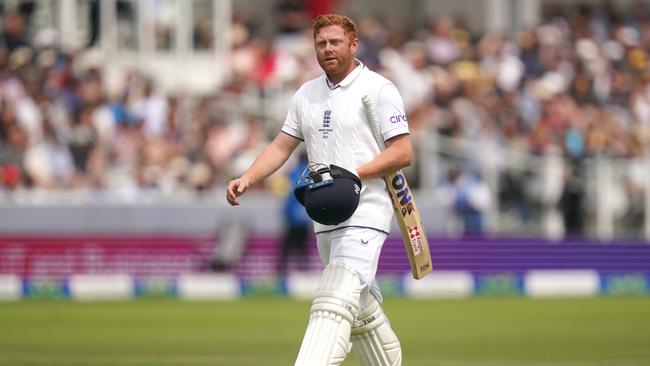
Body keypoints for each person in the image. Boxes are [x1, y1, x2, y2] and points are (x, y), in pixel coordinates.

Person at [226, 14, 410, 366]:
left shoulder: (379, 89)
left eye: (335, 42)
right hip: (325, 213)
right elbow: (282, 146)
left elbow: (402, 153)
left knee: (334, 299)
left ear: (354, 44)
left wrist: (351, 174)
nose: (327, 49)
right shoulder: (306, 94)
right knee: (359, 312)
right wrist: (248, 176)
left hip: (367, 208)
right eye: (321, 44)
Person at [276, 152, 311, 276]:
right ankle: (304, 272)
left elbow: (291, 194)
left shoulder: (296, 171)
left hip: (293, 216)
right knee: (302, 248)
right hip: (304, 216)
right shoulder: (309, 172)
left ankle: (281, 271)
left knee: (287, 247)